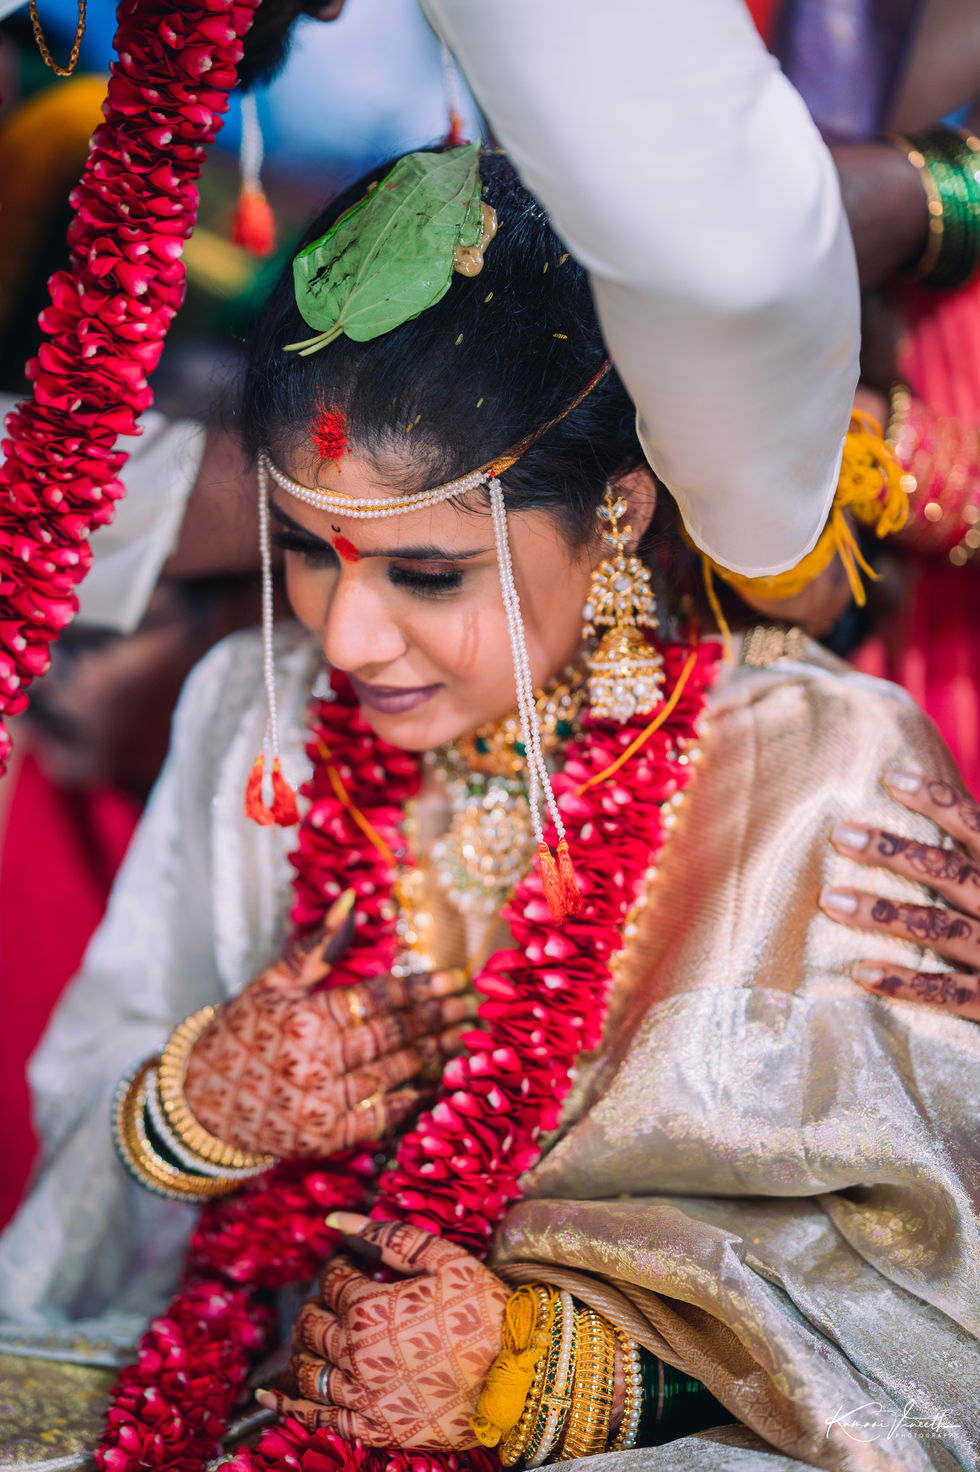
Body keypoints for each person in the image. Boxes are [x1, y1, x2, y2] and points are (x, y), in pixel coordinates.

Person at [1, 146, 978, 1472]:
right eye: (301, 550)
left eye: (426, 571)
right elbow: (92, 1089)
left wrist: (545, 1378)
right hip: (249, 1388)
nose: (346, 638)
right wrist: (192, 1115)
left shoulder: (818, 762)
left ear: (617, 514)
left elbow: (928, 1296)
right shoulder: (256, 706)